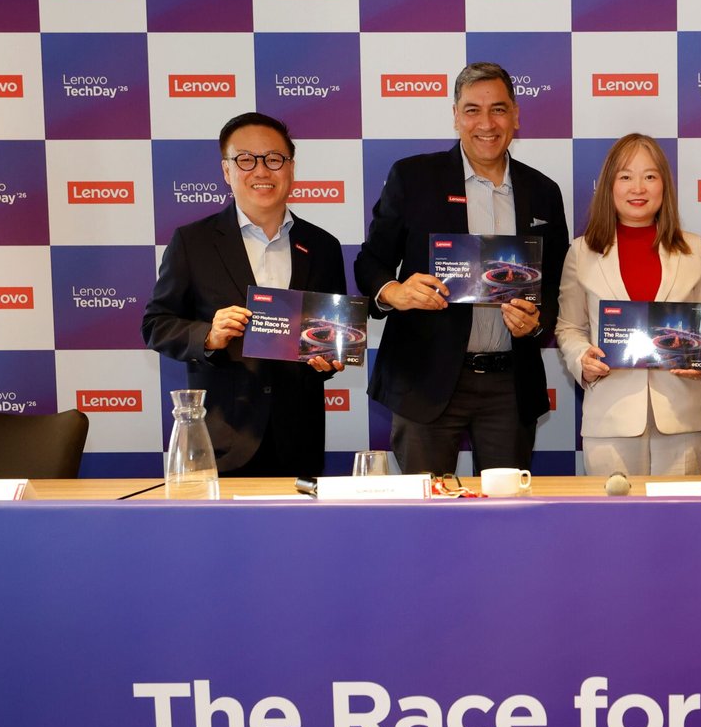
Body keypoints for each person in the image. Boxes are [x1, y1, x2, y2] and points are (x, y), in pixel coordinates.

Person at [355, 62, 569, 476]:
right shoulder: (413, 177)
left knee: (506, 508)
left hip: (509, 386)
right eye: (473, 110)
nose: (486, 123)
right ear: (456, 116)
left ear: (516, 115)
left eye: (498, 109)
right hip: (425, 379)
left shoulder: (543, 191)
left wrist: (537, 322)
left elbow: (556, 283)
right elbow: (370, 261)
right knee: (427, 509)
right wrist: (395, 292)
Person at [143, 111, 347, 477]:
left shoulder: (323, 246)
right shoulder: (193, 242)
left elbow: (330, 337)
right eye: (245, 160)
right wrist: (208, 335)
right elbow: (156, 324)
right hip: (221, 439)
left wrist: (328, 360)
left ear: (291, 168)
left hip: (298, 439)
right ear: (226, 171)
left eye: (274, 159)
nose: (261, 171)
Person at [556, 133, 701, 477]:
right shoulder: (582, 252)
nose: (638, 188)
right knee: (612, 513)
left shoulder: (693, 249)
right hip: (610, 418)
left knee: (678, 512)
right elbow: (569, 327)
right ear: (609, 185)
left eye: (650, 176)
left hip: (682, 417)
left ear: (664, 185)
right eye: (626, 176)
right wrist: (581, 358)